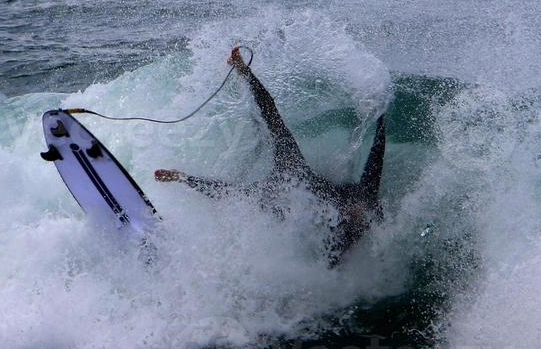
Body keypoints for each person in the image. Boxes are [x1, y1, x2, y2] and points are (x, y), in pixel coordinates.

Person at [156, 47, 386, 264]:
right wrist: (382, 116)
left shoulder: (346, 236)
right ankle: (245, 72)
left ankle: (181, 177)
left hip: (283, 197)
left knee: (236, 194)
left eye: (358, 217)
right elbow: (377, 155)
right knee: (275, 124)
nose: (357, 215)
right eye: (358, 212)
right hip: (295, 178)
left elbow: (333, 269)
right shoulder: (365, 192)